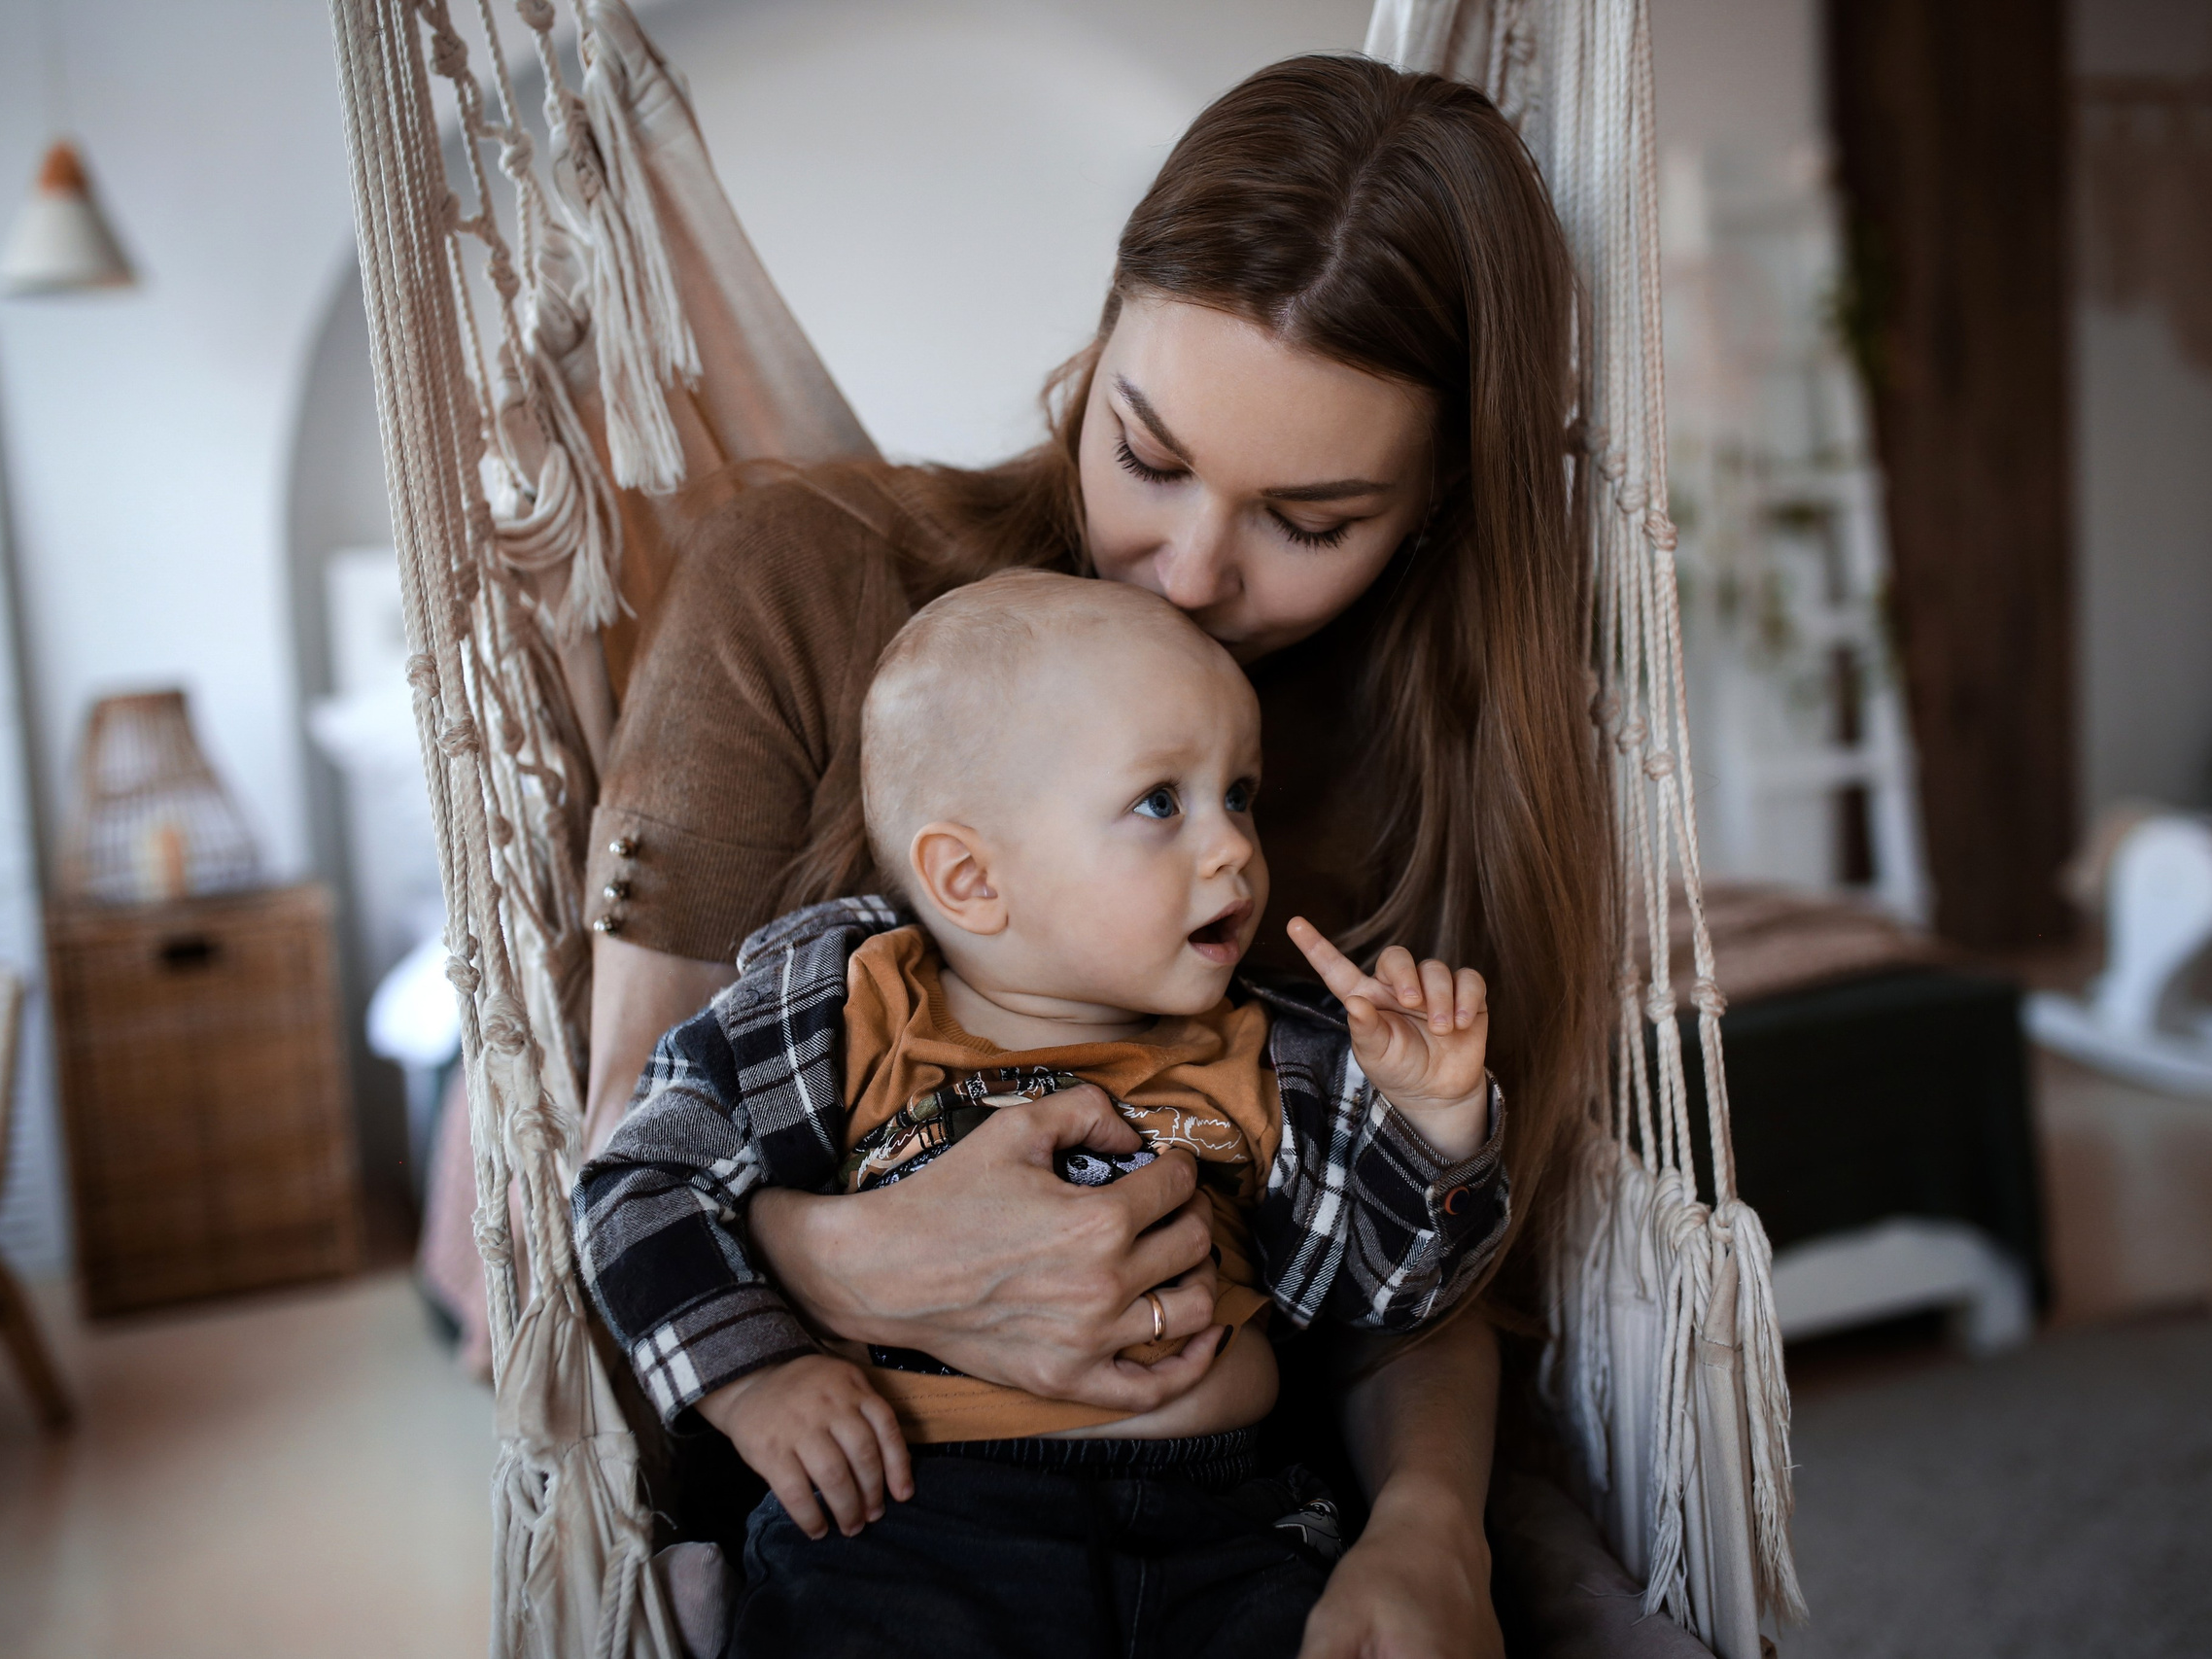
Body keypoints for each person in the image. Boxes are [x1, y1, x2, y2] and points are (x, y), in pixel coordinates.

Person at [582, 53, 1606, 1656]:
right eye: (1146, 452)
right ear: (1100, 336)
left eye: (1310, 520)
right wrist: (845, 1269)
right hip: (893, 1529)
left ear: (1428, 511)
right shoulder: (805, 593)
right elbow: (618, 1164)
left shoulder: (1441, 779)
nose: (1188, 569)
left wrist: (1427, 1535)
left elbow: (1416, 1288)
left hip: (1233, 1528)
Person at [579, 572, 1512, 1653]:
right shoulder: (832, 1015)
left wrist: (1435, 1122)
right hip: (910, 1521)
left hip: (1223, 1523)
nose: (1234, 850)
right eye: (1161, 802)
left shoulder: (1277, 1049)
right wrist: (756, 1377)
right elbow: (637, 1189)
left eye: (1239, 794)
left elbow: (1388, 1298)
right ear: (971, 879)